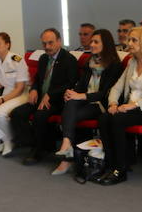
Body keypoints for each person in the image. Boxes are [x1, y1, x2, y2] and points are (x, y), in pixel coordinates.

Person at [96, 27, 142, 185]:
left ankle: (120, 169)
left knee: (117, 120)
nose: (129, 43)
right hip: (129, 108)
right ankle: (110, 164)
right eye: (129, 39)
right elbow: (116, 87)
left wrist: (133, 105)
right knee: (104, 118)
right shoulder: (132, 61)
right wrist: (113, 103)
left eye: (134, 40)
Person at [52, 29, 123, 175]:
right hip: (85, 99)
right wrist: (72, 93)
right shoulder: (89, 61)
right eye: (91, 41)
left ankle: (66, 156)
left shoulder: (114, 64)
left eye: (96, 42)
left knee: (71, 112)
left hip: (100, 104)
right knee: (70, 103)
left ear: (106, 44)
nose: (91, 44)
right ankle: (67, 146)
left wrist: (80, 96)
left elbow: (104, 94)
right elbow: (82, 85)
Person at [9, 28, 77, 165]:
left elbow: (71, 83)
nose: (47, 47)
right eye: (44, 44)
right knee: (16, 114)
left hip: (57, 101)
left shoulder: (69, 59)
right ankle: (38, 143)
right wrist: (33, 89)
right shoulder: (43, 58)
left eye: (50, 43)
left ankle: (37, 151)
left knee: (40, 116)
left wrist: (50, 95)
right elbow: (38, 79)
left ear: (59, 41)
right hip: (39, 97)